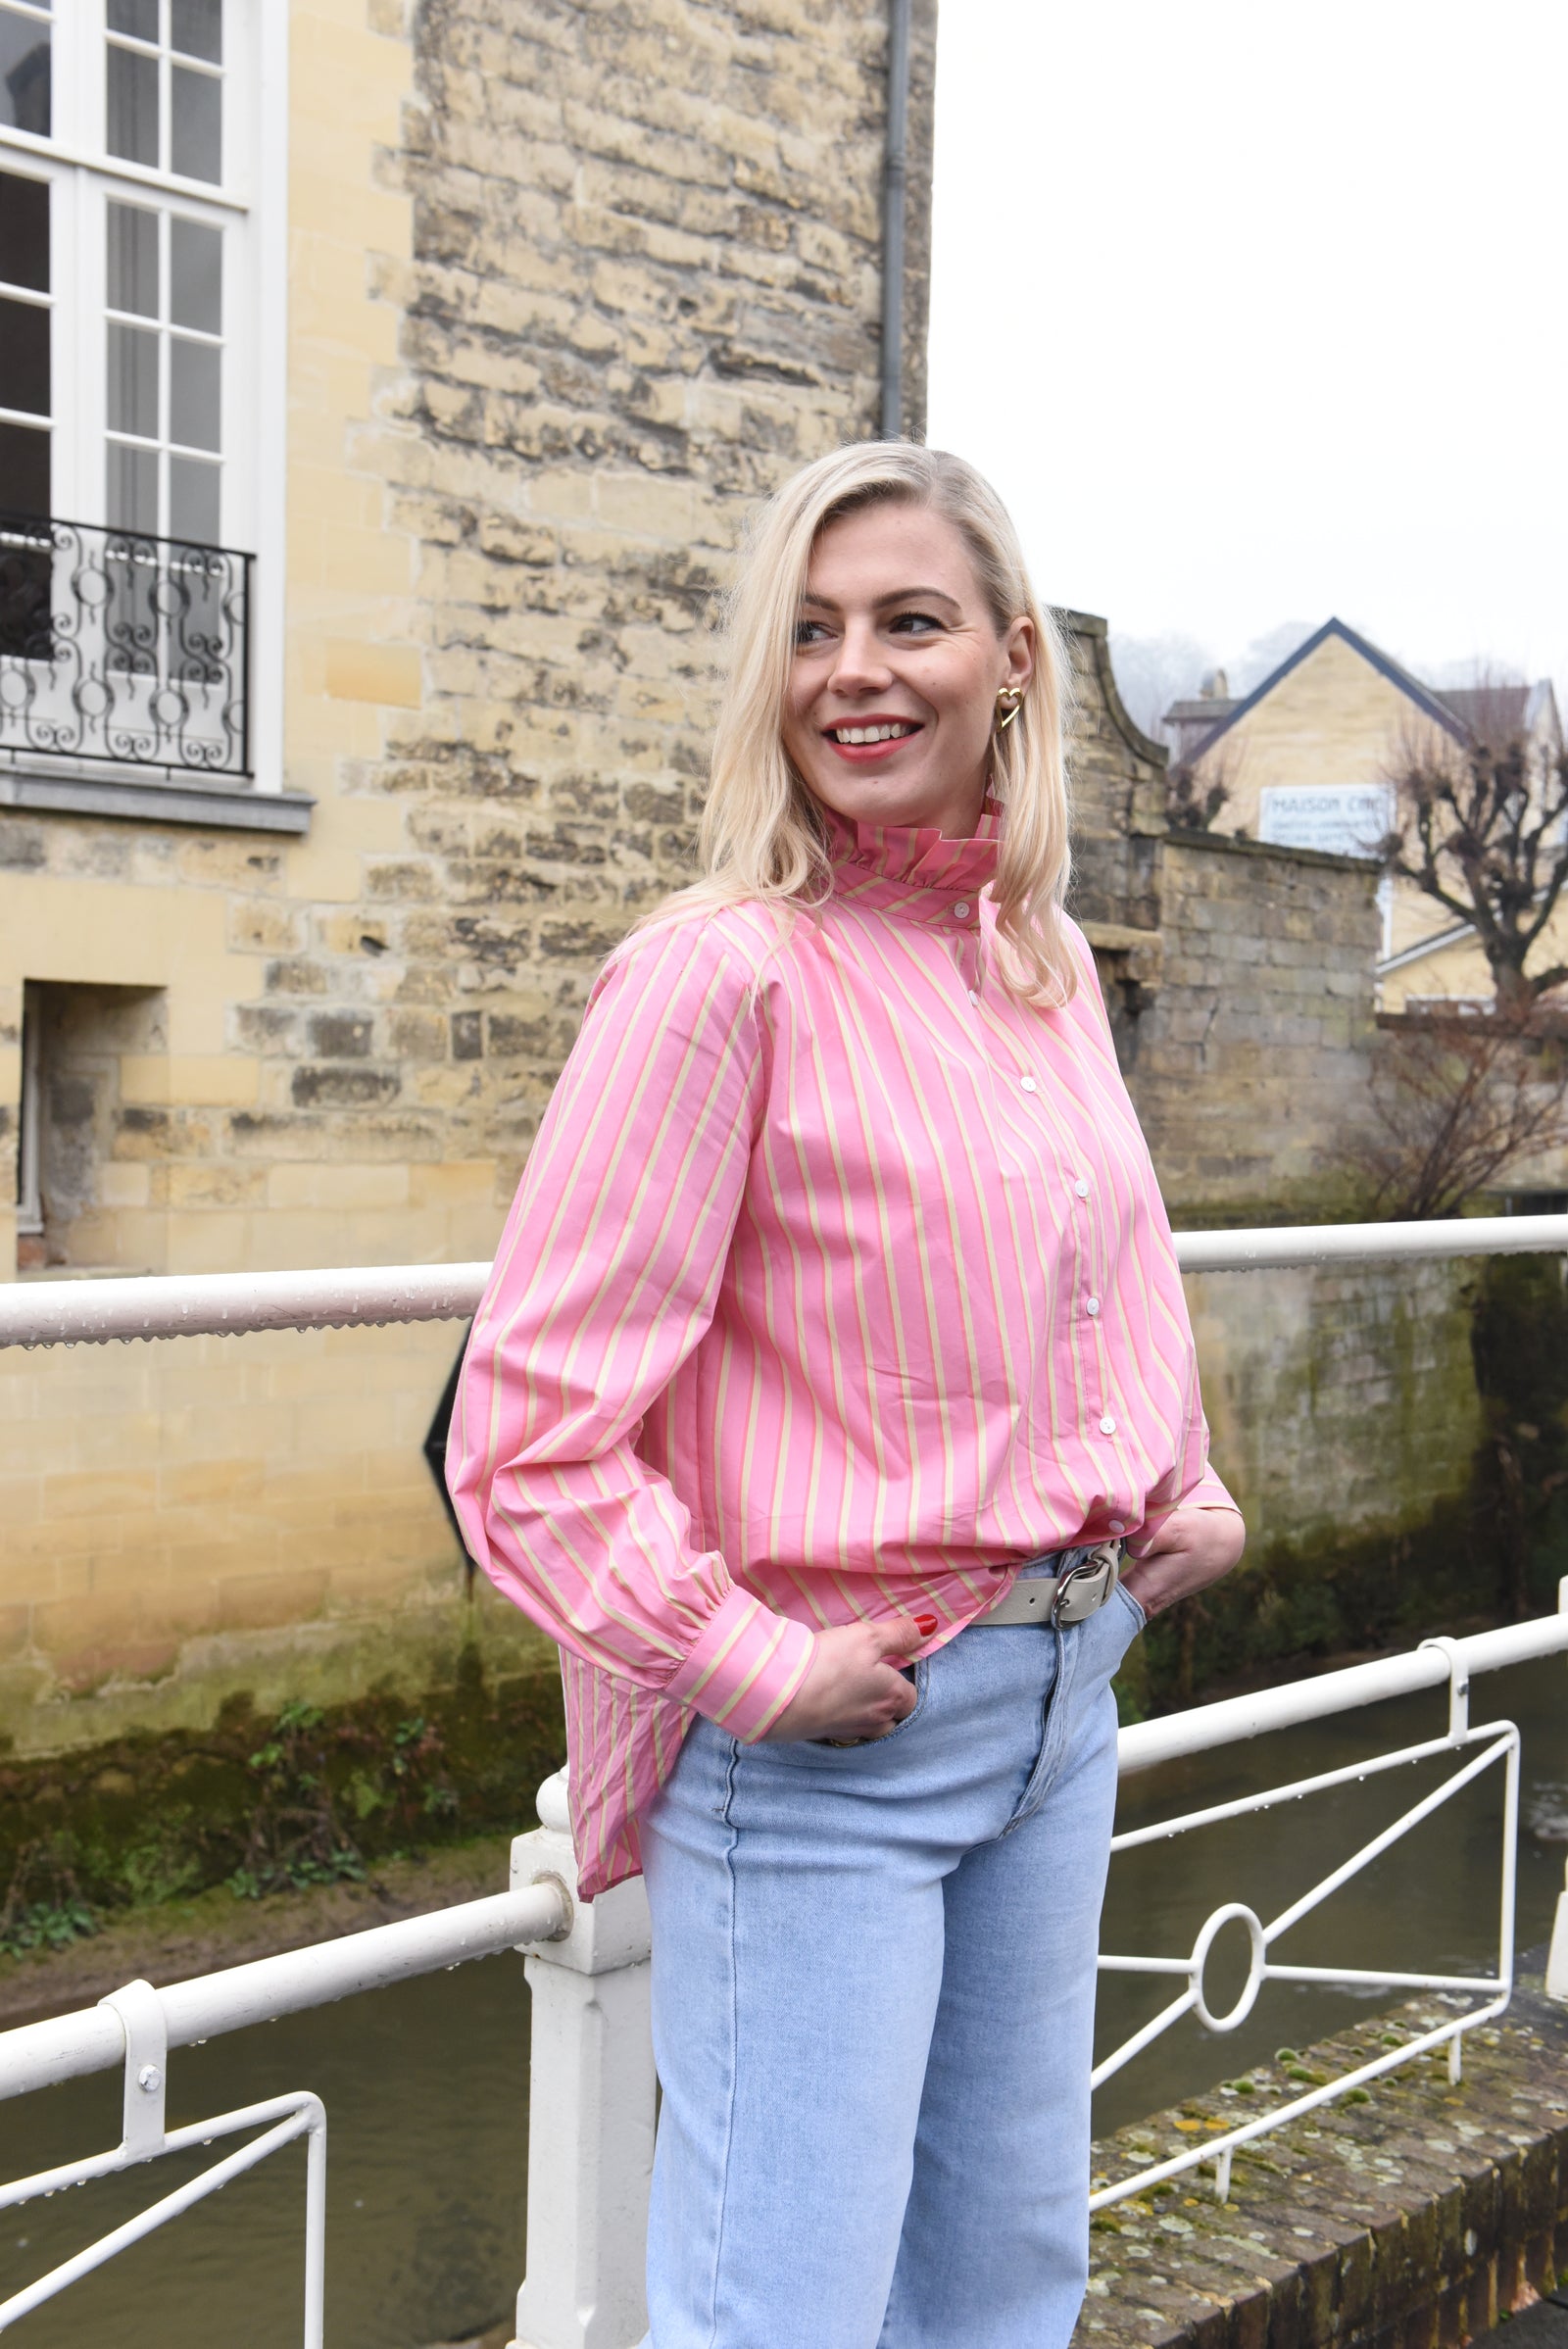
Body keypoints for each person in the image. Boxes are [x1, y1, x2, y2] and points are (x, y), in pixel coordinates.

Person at [447, 442, 1246, 2349]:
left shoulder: (1030, 964)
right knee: (779, 2312)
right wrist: (746, 1660)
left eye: (906, 619)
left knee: (997, 2287)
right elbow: (525, 1435)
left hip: (1059, 1703)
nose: (852, 669)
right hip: (828, 1750)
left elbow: (1106, 1262)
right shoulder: (714, 978)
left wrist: (1173, 1481)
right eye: (808, 630)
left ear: (1012, 658)